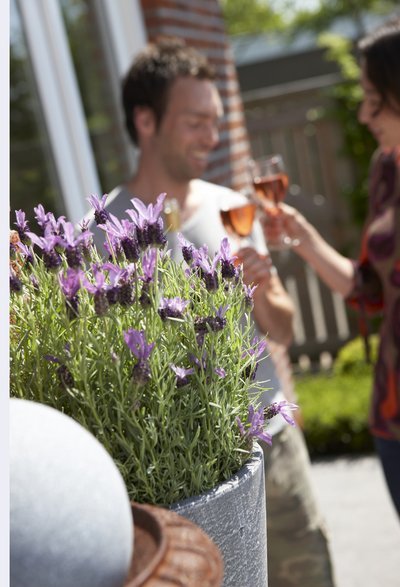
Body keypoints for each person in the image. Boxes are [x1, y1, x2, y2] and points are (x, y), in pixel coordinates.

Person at [86, 38, 336, 586]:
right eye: (196, 121)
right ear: (145, 121)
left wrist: (264, 287)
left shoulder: (231, 206)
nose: (212, 136)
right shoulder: (106, 232)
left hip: (268, 441)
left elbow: (285, 328)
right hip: (185, 471)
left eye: (215, 121)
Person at [265, 18, 400, 518]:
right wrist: (301, 236)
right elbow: (371, 290)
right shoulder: (387, 167)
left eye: (374, 97)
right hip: (393, 416)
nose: (364, 114)